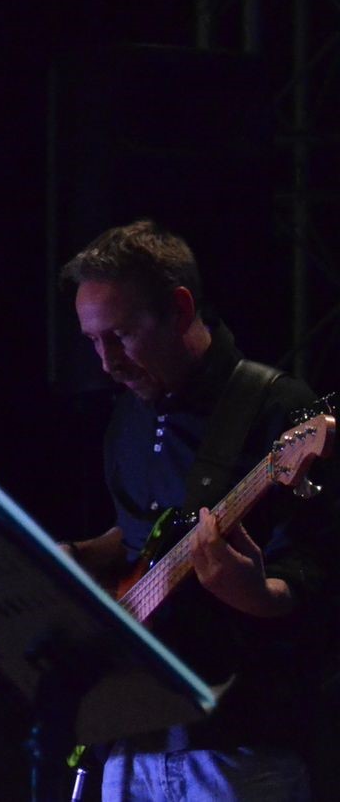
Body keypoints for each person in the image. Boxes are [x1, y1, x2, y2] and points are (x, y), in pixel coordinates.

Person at [60, 219, 334, 800]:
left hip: (236, 750)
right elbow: (139, 534)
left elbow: (320, 572)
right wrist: (79, 555)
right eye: (93, 341)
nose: (107, 362)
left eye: (121, 335)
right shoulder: (127, 417)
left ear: (180, 309)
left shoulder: (276, 406)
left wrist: (259, 595)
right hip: (129, 742)